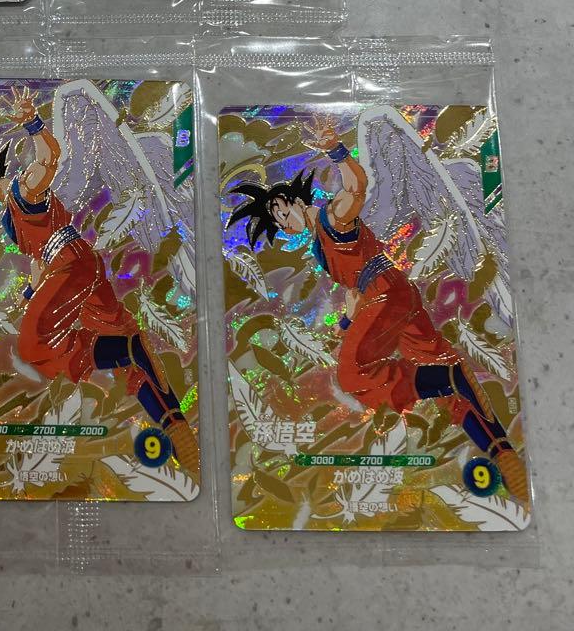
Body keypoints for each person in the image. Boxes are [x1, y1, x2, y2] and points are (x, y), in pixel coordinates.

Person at [226, 119, 528, 504]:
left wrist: (335, 149)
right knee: (443, 379)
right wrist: (347, 320)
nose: (285, 223)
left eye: (284, 212)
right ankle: (501, 452)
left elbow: (357, 186)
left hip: (386, 296)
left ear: (298, 201)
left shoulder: (332, 217)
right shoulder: (321, 241)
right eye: (279, 222)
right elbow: (353, 292)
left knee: (353, 374)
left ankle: (449, 378)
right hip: (392, 297)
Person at [0, 88, 200, 475]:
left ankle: (128, 351)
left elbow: (48, 159)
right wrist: (31, 291)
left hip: (72, 266)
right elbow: (38, 260)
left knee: (36, 344)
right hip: (72, 268)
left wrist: (32, 122)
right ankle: (174, 425)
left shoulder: (22, 188)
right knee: (122, 341)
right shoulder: (11, 215)